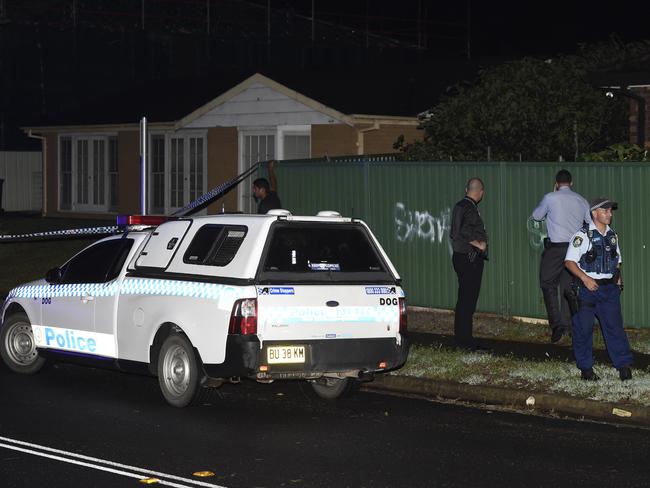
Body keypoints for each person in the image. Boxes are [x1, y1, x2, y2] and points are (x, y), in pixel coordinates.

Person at [564, 198, 632, 382]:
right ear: (595, 213)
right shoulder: (582, 236)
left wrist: (619, 280)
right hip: (587, 290)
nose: (610, 214)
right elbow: (569, 262)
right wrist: (585, 279)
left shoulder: (612, 235)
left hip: (609, 290)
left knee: (615, 328)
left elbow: (617, 261)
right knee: (583, 330)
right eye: (605, 211)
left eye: (610, 211)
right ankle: (586, 368)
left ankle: (623, 366)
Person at [531, 169, 590, 343]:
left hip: (555, 249)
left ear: (556, 183)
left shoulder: (551, 197)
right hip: (574, 250)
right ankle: (571, 326)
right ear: (571, 183)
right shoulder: (581, 200)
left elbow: (536, 215)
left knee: (547, 283)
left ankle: (557, 326)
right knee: (569, 288)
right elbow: (589, 222)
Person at [450, 178, 488, 351]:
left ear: (467, 189)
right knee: (467, 301)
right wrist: (477, 244)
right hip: (468, 258)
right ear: (480, 192)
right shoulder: (464, 207)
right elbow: (456, 234)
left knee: (467, 301)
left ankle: (464, 340)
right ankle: (464, 342)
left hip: (468, 258)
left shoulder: (467, 207)